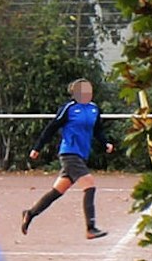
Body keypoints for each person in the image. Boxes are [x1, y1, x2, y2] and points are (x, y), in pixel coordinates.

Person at [22, 78, 114, 239]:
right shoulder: (69, 108)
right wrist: (37, 147)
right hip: (69, 153)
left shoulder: (94, 109)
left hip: (82, 154)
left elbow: (98, 129)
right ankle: (90, 228)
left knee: (57, 191)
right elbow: (51, 127)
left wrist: (106, 142)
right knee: (89, 185)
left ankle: (30, 213)